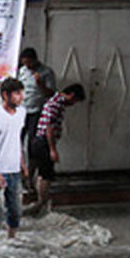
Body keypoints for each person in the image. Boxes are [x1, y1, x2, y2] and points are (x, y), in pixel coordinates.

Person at [27, 84, 86, 215]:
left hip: (39, 141)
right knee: (46, 174)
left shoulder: (54, 101)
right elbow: (50, 129)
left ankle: (40, 201)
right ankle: (41, 203)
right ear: (71, 95)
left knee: (43, 173)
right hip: (44, 142)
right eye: (74, 101)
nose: (73, 104)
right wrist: (52, 150)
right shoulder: (55, 105)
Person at [0, 78, 28, 247]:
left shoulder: (22, 113)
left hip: (15, 169)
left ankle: (11, 242)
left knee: (16, 210)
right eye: (17, 93)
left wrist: (23, 164)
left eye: (21, 93)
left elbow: (17, 140)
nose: (21, 97)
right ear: (5, 95)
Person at [17, 47, 56, 150]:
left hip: (36, 110)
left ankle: (32, 163)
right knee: (17, 137)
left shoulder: (46, 72)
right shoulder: (22, 71)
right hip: (22, 108)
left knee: (33, 140)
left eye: (29, 63)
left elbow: (51, 93)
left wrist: (40, 84)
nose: (28, 66)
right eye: (25, 64)